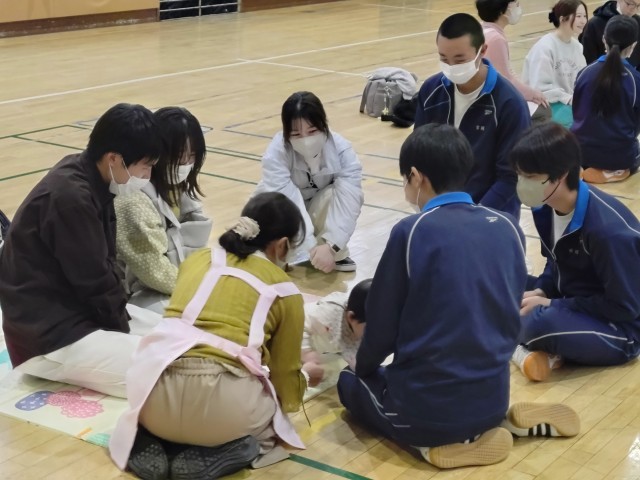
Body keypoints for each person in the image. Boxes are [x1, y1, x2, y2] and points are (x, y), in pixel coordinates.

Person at [337, 123, 579, 469]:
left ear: (416, 177)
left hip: (426, 410)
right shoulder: (508, 227)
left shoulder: (411, 231)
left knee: (349, 383)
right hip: (494, 396)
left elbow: (382, 325)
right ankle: (497, 423)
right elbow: (510, 310)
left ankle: (432, 447)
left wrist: (362, 366)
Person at [110, 192, 308, 480]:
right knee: (273, 423)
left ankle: (152, 437)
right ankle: (225, 450)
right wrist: (304, 380)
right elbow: (284, 378)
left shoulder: (199, 259)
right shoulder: (286, 291)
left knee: (167, 408)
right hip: (222, 407)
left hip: (153, 392)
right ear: (283, 245)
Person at [0, 103, 163, 398]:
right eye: (145, 166)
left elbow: (104, 270)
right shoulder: (71, 197)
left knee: (173, 333)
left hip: (74, 310)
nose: (147, 175)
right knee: (160, 368)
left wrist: (120, 322)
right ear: (114, 158)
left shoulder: (91, 176)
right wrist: (120, 332)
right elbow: (95, 281)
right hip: (47, 336)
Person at [510, 123, 640, 382]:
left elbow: (625, 307)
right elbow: (554, 262)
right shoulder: (544, 206)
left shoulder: (608, 232)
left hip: (620, 327)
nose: (523, 184)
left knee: (540, 323)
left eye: (531, 176)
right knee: (499, 281)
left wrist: (552, 304)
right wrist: (543, 290)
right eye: (520, 175)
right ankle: (530, 343)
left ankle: (510, 338)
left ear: (560, 175)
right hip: (571, 299)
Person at [414, 13, 530, 219]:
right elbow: (419, 154)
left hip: (491, 218)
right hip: (439, 212)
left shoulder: (509, 104)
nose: (451, 67)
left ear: (482, 51)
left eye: (460, 60)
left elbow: (510, 177)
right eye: (444, 59)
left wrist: (472, 217)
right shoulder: (431, 91)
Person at [115, 106, 212, 314]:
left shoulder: (181, 192)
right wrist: (197, 289)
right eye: (179, 156)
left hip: (176, 282)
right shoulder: (133, 201)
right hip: (138, 294)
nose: (185, 164)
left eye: (192, 156)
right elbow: (154, 272)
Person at [254, 91, 364, 273]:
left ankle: (333, 252)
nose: (306, 140)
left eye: (312, 131)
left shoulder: (342, 149)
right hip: (285, 209)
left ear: (324, 126)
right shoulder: (276, 153)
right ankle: (302, 253)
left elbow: (349, 199)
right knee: (269, 209)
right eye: (296, 134)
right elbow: (288, 201)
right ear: (286, 134)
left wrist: (332, 246)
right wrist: (308, 246)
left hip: (317, 206)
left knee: (333, 195)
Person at [572, 16, 640, 183]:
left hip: (580, 152)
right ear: (633, 46)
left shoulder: (584, 73)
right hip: (618, 155)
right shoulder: (635, 79)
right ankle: (614, 169)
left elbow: (577, 112)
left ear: (604, 39)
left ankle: (582, 168)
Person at [521, 0, 588, 128]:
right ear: (562, 19)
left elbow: (581, 80)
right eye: (578, 16)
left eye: (585, 16)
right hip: (546, 106)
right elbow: (540, 89)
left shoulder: (577, 47)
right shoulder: (545, 47)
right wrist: (568, 99)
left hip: (568, 105)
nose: (583, 21)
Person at [476, 0, 550, 111]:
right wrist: (533, 94)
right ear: (502, 11)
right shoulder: (496, 39)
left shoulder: (483, 29)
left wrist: (527, 91)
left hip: (489, 94)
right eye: (515, 3)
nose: (518, 6)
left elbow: (507, 72)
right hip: (491, 101)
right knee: (543, 110)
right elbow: (506, 80)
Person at [301, 278, 372, 386]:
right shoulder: (328, 316)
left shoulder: (361, 324)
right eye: (369, 329)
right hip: (298, 332)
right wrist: (307, 354)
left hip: (328, 342)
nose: (376, 333)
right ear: (351, 317)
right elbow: (300, 325)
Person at [580, 0, 640, 67]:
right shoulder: (595, 24)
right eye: (629, 4)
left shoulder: (638, 23)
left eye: (638, 6)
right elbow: (587, 59)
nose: (633, 9)